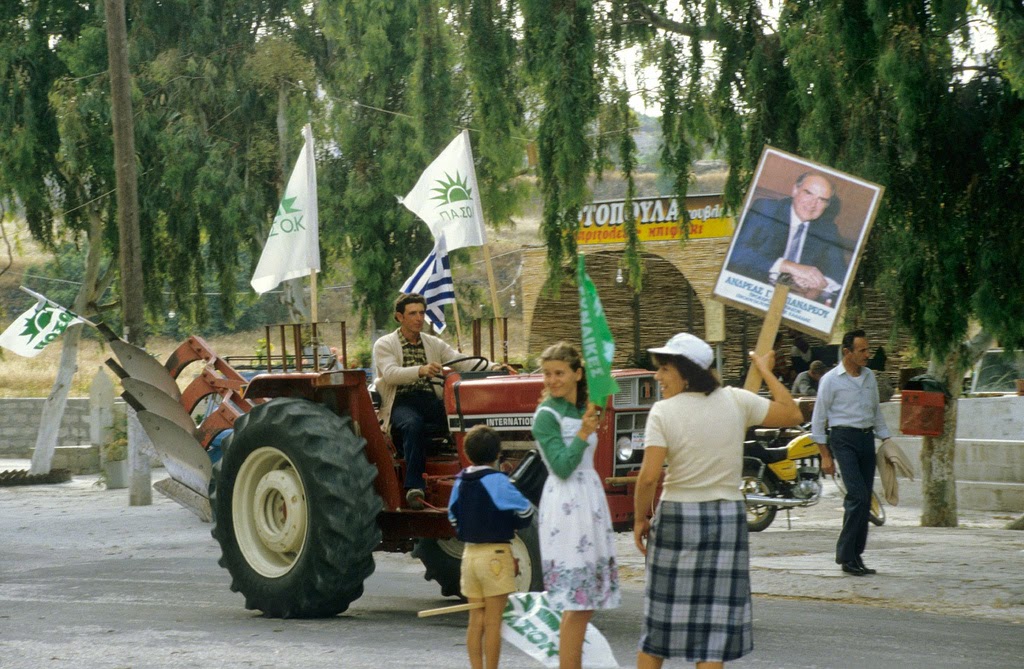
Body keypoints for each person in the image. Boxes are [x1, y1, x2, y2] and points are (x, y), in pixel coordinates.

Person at [633, 333, 802, 669]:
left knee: (659, 625)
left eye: (664, 369)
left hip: (678, 517)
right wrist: (764, 370)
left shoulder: (663, 412)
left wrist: (640, 519)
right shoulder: (737, 401)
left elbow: (649, 477)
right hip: (726, 519)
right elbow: (793, 413)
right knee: (714, 632)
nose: (657, 377)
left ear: (686, 371)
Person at [374, 293, 514, 508]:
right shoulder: (385, 344)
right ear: (399, 317)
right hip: (399, 400)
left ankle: (482, 468)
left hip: (428, 398)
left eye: (422, 313)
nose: (419, 318)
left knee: (465, 417)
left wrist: (494, 367)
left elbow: (461, 361)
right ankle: (415, 486)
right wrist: (421, 370)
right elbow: (391, 374)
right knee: (412, 425)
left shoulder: (432, 343)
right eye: (413, 313)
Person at [531, 342, 620, 669]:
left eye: (560, 373)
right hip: (566, 504)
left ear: (576, 374)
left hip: (588, 501)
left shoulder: (584, 408)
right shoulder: (545, 416)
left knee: (587, 601)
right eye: (547, 374)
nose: (552, 380)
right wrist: (584, 431)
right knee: (575, 602)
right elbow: (562, 466)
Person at [448, 425, 536, 669]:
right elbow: (525, 511)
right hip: (495, 555)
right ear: (498, 454)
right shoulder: (497, 481)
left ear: (467, 453)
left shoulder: (460, 480)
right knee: (494, 622)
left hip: (470, 556)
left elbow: (453, 517)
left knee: (475, 620)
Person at [810, 329, 893, 576]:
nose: (868, 355)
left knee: (864, 498)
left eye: (868, 349)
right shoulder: (831, 380)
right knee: (856, 495)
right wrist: (825, 454)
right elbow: (818, 419)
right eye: (862, 350)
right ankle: (846, 555)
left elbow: (876, 413)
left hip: (866, 439)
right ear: (847, 352)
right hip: (843, 438)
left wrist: (887, 441)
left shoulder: (869, 377)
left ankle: (856, 555)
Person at [726, 172, 848, 305]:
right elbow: (736, 253)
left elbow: (840, 275)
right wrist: (789, 266)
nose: (813, 204)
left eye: (822, 200)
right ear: (795, 190)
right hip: (754, 293)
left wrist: (817, 284)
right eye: (808, 193)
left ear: (827, 205)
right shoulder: (767, 209)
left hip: (796, 301)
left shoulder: (828, 230)